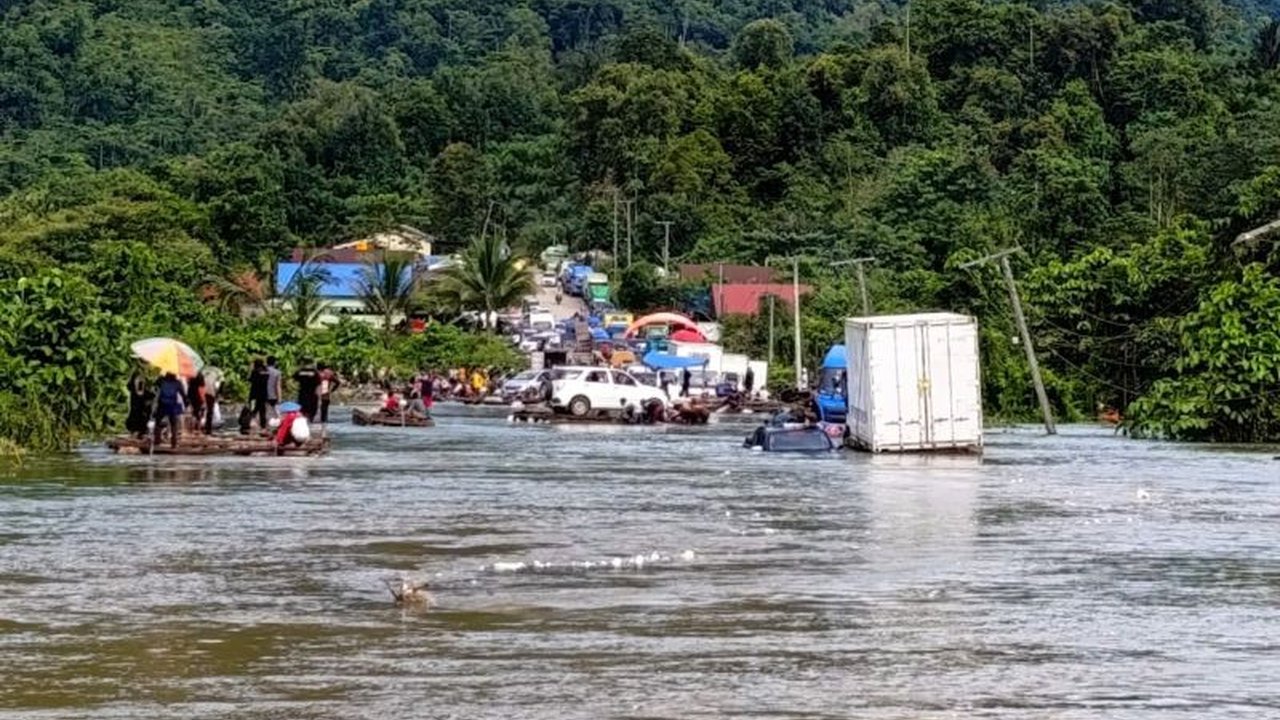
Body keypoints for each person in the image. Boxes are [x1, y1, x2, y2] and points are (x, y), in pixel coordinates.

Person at [153, 372, 187, 448]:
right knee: (173, 424)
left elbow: (154, 386)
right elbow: (183, 394)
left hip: (162, 404)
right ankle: (174, 443)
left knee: (158, 422)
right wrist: (185, 404)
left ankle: (157, 441)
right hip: (172, 405)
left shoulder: (161, 380)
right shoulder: (177, 382)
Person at [125, 368, 154, 438]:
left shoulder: (134, 378)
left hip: (134, 401)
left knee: (134, 414)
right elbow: (140, 392)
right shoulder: (140, 378)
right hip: (139, 402)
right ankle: (140, 431)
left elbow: (130, 387)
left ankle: (134, 431)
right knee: (140, 416)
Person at [293, 357, 321, 423]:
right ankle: (310, 422)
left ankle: (303, 424)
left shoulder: (300, 371)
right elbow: (319, 383)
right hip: (312, 394)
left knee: (302, 411)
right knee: (312, 411)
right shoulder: (315, 372)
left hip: (302, 393)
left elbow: (294, 378)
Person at [201, 365, 224, 434]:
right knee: (210, 410)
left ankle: (200, 425)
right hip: (211, 391)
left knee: (203, 408)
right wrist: (219, 393)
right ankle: (208, 428)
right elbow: (222, 382)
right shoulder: (218, 371)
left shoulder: (204, 370)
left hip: (202, 391)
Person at [248, 359, 269, 430]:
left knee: (253, 409)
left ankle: (250, 422)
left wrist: (250, 369)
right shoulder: (266, 372)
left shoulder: (255, 372)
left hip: (255, 393)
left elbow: (250, 379)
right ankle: (263, 425)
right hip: (263, 393)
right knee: (262, 410)